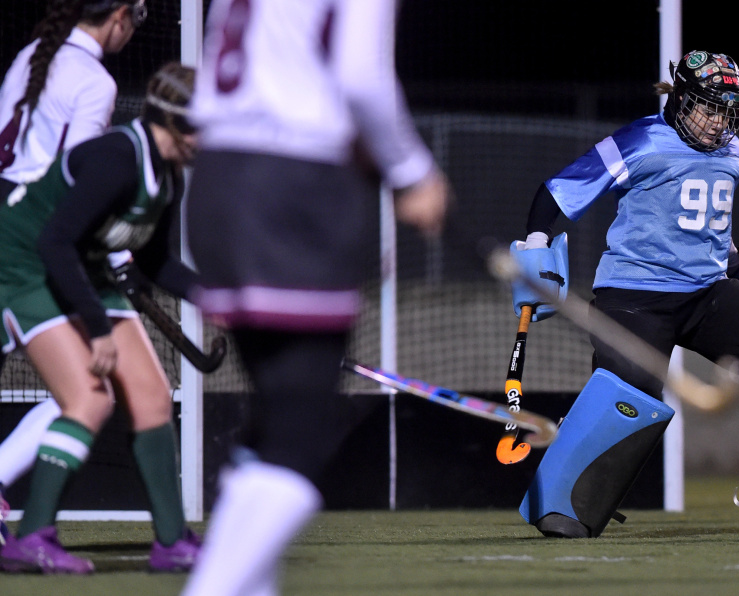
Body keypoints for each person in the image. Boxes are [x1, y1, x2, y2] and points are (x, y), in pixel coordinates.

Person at [511, 50, 739, 540]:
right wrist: (535, 247)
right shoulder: (642, 140)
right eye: (707, 106)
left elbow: (698, 235)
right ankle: (562, 499)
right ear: (679, 99)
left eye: (726, 109)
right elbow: (557, 191)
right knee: (629, 397)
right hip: (633, 296)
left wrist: (735, 261)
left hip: (705, 293)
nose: (717, 120)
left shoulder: (733, 154)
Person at [180, 1, 449, 594]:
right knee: (302, 430)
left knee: (274, 420)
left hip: (218, 182)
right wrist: (412, 172)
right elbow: (360, 78)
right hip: (294, 188)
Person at [0, 61, 201, 574]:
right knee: (89, 398)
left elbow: (154, 261)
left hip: (78, 266)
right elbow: (53, 240)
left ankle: (172, 542)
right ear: (178, 124)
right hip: (22, 266)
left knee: (153, 395)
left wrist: (217, 298)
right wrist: (96, 329)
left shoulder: (167, 174)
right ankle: (32, 536)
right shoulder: (118, 159)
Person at [0, 0, 147, 543]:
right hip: (33, 242)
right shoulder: (95, 83)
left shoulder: (29, 56)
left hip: (3, 220)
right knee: (90, 388)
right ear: (118, 18)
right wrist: (114, 259)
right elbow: (83, 182)